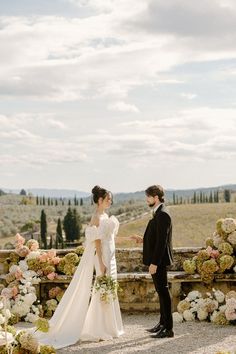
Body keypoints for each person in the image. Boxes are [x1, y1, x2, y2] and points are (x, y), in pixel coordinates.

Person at [29, 185, 124, 349]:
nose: (110, 201)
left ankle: (110, 326)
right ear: (100, 200)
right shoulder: (96, 218)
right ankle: (99, 328)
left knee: (110, 289)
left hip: (111, 257)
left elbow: (110, 238)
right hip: (103, 257)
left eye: (111, 199)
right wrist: (101, 262)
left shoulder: (105, 215)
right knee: (103, 288)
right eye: (108, 199)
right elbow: (97, 243)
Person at [131, 184, 174, 338]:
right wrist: (143, 240)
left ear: (156, 197)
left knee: (163, 292)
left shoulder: (163, 214)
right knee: (160, 291)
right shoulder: (159, 213)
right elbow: (156, 237)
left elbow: (162, 242)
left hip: (159, 261)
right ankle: (162, 324)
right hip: (157, 260)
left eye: (148, 197)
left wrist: (154, 263)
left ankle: (168, 329)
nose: (146, 199)